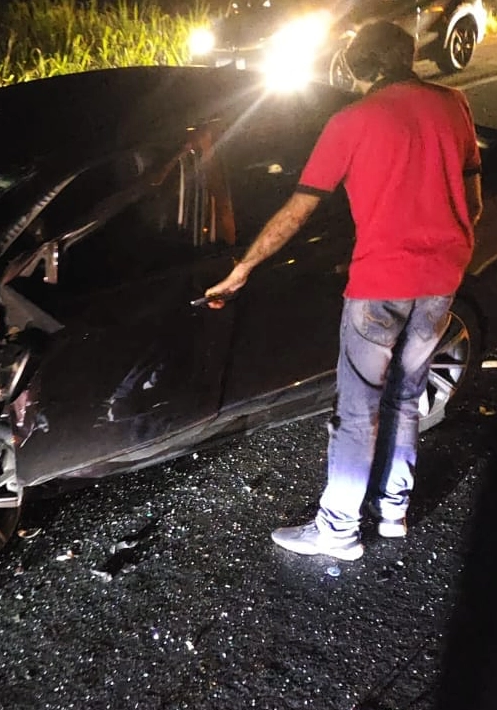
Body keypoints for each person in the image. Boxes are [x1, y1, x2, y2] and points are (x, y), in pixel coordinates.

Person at [203, 20, 483, 561]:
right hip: (440, 282)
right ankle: (394, 511)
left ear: (362, 66)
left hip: (380, 285)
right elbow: (472, 203)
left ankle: (338, 531)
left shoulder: (351, 121)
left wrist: (243, 268)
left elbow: (298, 209)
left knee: (359, 408)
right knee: (406, 396)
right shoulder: (454, 104)